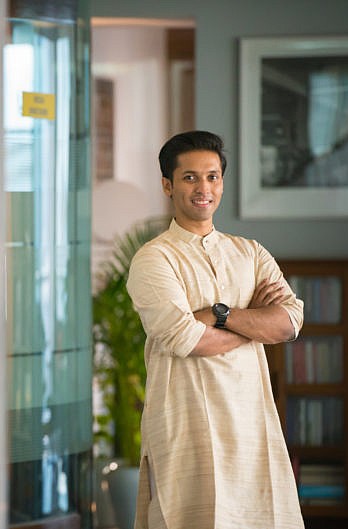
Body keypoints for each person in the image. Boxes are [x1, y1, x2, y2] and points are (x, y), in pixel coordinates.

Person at [126, 130, 304, 529]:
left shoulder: (250, 252)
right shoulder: (154, 259)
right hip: (187, 424)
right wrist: (256, 325)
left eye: (212, 176)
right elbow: (186, 338)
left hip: (252, 423)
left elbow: (290, 321)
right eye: (190, 177)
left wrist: (218, 314)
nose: (203, 188)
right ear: (167, 185)